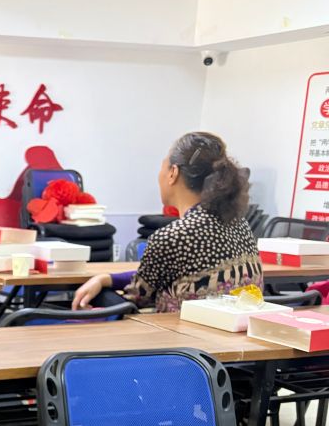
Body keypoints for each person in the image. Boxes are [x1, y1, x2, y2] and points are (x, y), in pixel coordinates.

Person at [73, 132, 262, 313]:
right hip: (234, 328)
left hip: (184, 332)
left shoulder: (173, 236)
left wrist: (103, 287)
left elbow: (139, 295)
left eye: (163, 166)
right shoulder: (240, 224)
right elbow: (153, 277)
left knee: (102, 298)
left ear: (173, 173)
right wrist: (107, 278)